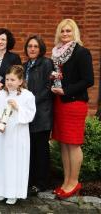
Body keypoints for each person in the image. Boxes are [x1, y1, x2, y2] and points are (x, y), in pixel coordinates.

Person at [50, 19, 94, 199]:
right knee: (63, 143)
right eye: (62, 31)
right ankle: (66, 181)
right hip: (60, 103)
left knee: (73, 144)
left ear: (74, 32)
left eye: (69, 31)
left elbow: (88, 80)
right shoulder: (56, 53)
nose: (65, 34)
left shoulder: (82, 52)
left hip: (74, 103)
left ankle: (74, 182)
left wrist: (66, 90)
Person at [0, 65, 36, 205]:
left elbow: (30, 114)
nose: (9, 82)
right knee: (1, 161)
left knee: (14, 162)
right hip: (2, 134)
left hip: (17, 135)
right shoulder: (1, 94)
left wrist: (18, 107)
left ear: (20, 81)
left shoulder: (27, 95)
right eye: (7, 79)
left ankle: (13, 193)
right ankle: (0, 190)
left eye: (13, 79)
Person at [22, 35, 54, 195]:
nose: (32, 49)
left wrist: (32, 100)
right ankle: (31, 180)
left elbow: (50, 87)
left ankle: (42, 182)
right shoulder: (25, 65)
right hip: (28, 114)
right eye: (29, 46)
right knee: (31, 149)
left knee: (41, 150)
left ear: (40, 49)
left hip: (41, 113)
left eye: (35, 46)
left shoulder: (46, 63)